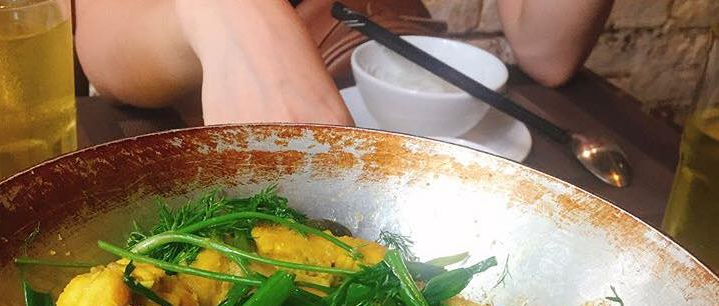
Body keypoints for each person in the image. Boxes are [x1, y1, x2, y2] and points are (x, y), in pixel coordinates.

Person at [75, 0, 614, 126]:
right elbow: (100, 46)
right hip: (202, 112)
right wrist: (226, 10)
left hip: (390, 71)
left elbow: (548, 54)